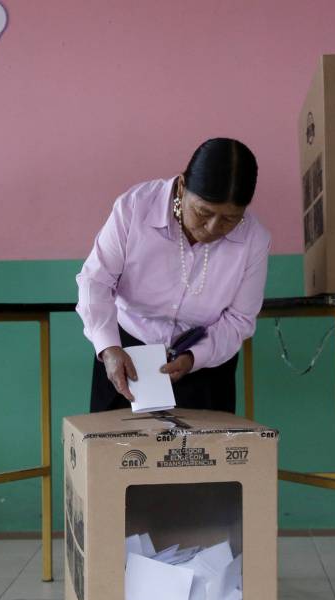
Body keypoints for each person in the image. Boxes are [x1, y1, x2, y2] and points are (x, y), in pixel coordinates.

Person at [76, 138, 271, 413]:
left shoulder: (254, 239)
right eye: (203, 212)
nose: (213, 227)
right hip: (127, 351)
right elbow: (95, 281)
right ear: (181, 186)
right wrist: (108, 348)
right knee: (119, 451)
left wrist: (194, 357)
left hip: (204, 360)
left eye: (230, 219)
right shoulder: (134, 208)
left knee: (205, 453)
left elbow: (239, 320)